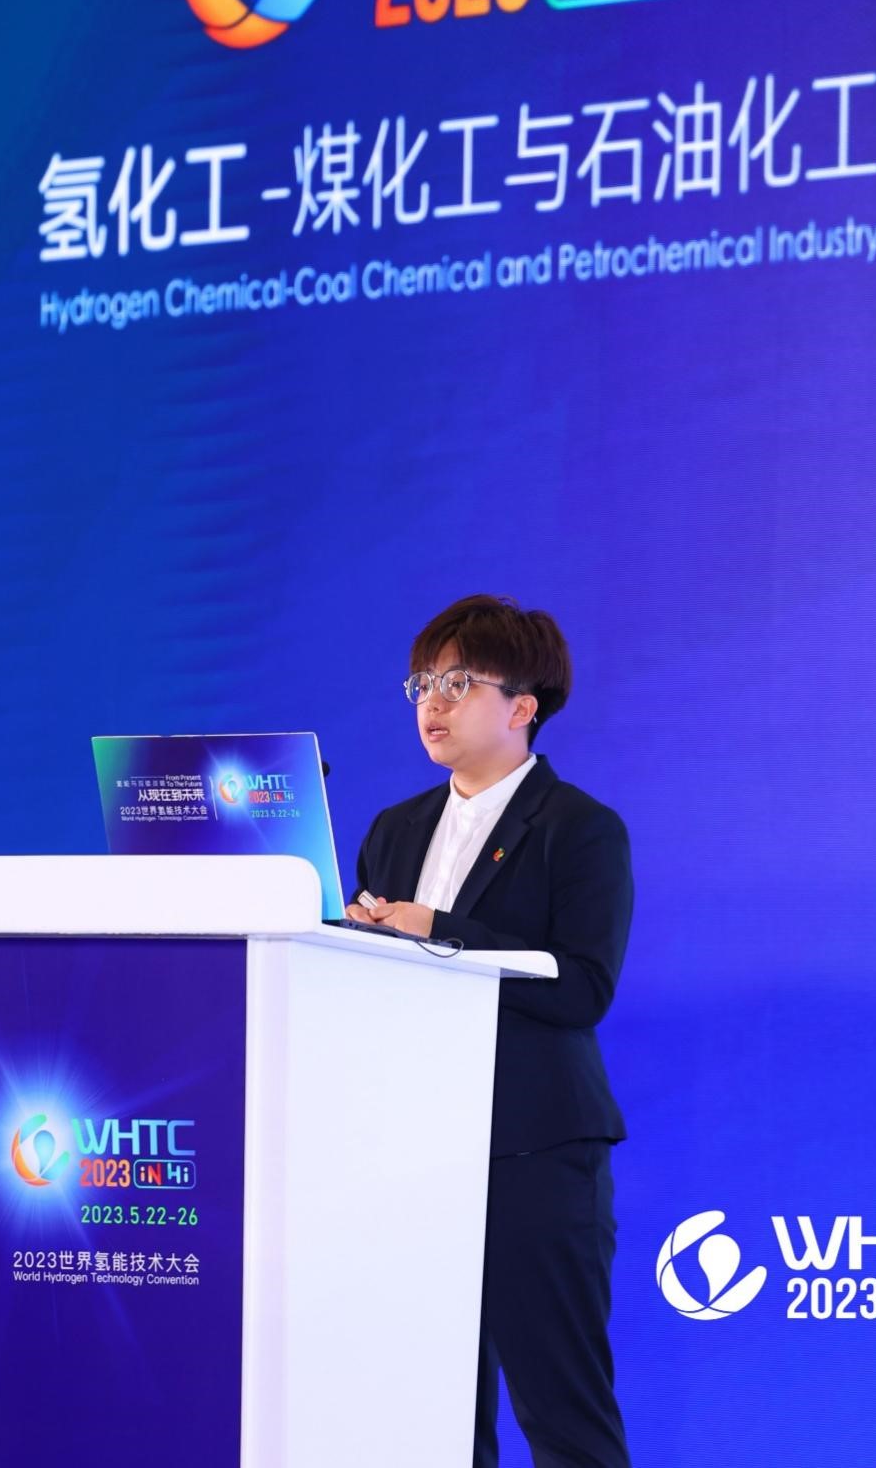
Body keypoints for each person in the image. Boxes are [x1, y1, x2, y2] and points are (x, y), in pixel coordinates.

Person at [347, 594, 633, 1468]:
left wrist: (439, 931)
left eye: (458, 682)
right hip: (410, 1153)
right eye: (422, 684)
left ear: (522, 708)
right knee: (430, 1421)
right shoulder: (394, 829)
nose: (431, 702)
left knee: (563, 1415)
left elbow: (582, 988)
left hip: (533, 1154)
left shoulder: (580, 829)